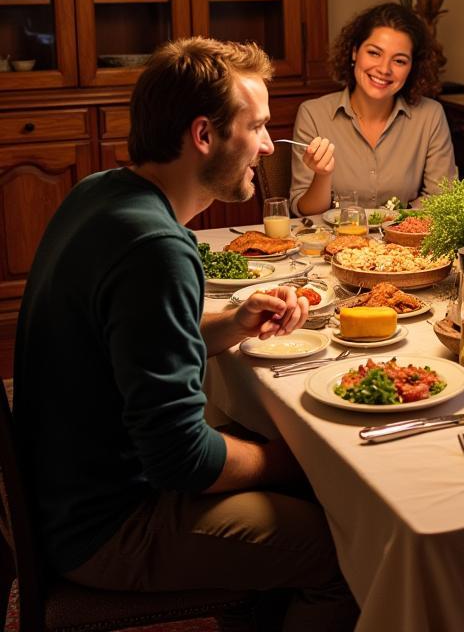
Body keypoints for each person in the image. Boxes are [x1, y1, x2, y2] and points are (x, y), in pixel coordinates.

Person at [14, 37, 357, 630]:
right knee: (345, 548)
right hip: (105, 526)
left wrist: (232, 323)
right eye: (256, 128)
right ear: (204, 135)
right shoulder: (157, 250)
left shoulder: (101, 192)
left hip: (64, 489)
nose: (270, 146)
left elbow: (126, 341)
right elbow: (184, 462)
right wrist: (300, 460)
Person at [291, 2, 456, 214]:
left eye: (399, 60)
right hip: (334, 243)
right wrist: (322, 175)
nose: (384, 69)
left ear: (412, 67)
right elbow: (305, 211)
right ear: (354, 52)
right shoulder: (313, 114)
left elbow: (442, 199)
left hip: (403, 242)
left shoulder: (430, 116)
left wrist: (392, 222)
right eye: (374, 53)